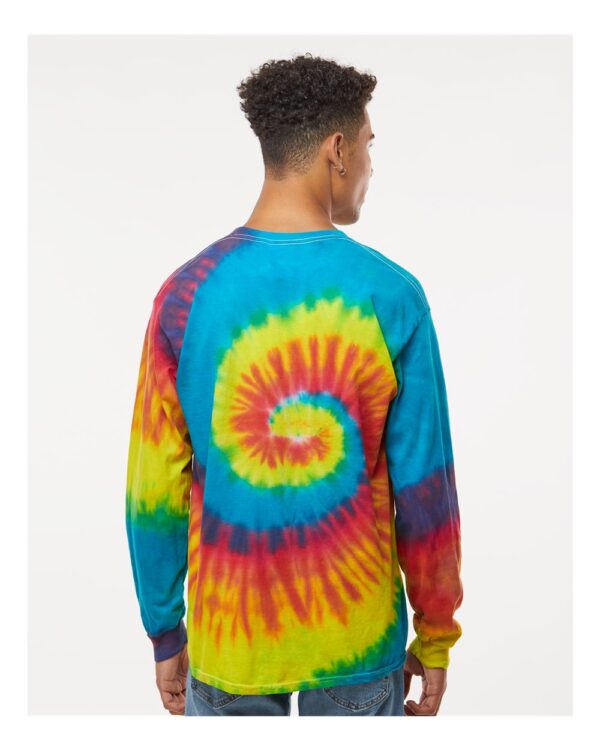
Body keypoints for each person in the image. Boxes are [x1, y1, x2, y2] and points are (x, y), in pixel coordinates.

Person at [125, 53, 463, 717]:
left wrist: (166, 630)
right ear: (337, 150)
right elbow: (427, 490)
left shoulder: (186, 296)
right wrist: (436, 634)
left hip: (230, 641)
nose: (369, 165)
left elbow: (152, 491)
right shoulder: (391, 295)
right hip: (357, 644)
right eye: (368, 145)